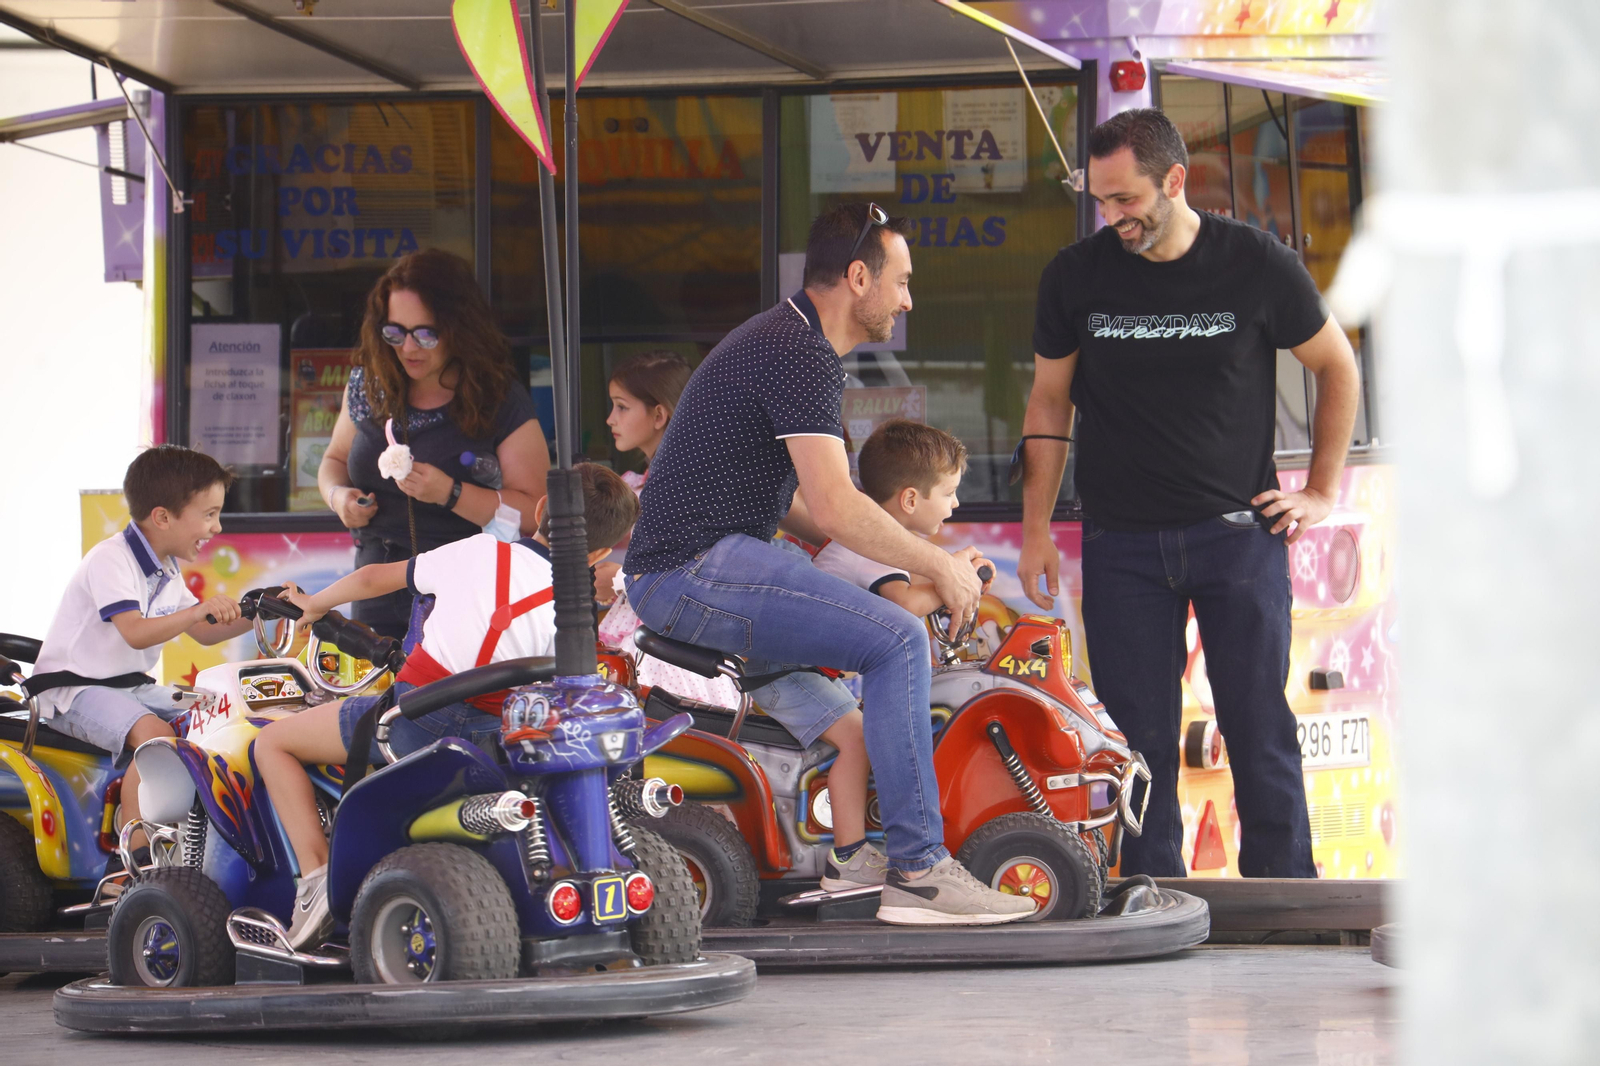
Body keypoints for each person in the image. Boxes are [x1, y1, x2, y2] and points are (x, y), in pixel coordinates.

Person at [623, 202, 1033, 925]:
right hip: (692, 571)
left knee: (847, 710)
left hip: (699, 567)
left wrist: (909, 561)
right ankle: (920, 871)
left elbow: (801, 511)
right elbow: (838, 506)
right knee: (898, 638)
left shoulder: (785, 339)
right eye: (901, 281)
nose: (908, 299)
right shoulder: (799, 351)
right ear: (857, 276)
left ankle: (852, 861)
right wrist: (940, 567)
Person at [1016, 109, 1362, 879]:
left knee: (1257, 722)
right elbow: (1048, 402)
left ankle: (1285, 901)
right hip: (1121, 544)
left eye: (1126, 199)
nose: (1113, 217)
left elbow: (1337, 366)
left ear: (1175, 181)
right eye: (1101, 201)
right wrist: (1038, 526)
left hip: (1237, 536)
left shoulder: (1256, 263)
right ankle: (1151, 893)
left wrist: (1320, 491)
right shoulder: (1076, 275)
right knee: (1136, 734)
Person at [260, 463, 637, 949]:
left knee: (272, 742)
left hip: (412, 721)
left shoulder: (480, 549)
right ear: (601, 552)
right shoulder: (575, 604)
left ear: (541, 508)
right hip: (491, 741)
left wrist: (313, 605)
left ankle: (316, 877)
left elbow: (376, 578)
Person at [758, 418, 992, 891]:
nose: (955, 504)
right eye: (948, 493)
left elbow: (908, 589)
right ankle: (848, 859)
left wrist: (953, 571)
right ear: (910, 500)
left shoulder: (882, 539)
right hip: (782, 671)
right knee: (860, 739)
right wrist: (958, 580)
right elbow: (904, 606)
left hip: (800, 668)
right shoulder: (875, 542)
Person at [318, 249, 550, 639]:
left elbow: (537, 511)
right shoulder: (368, 385)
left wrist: (451, 492)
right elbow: (333, 459)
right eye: (395, 333)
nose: (408, 348)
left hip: (463, 597)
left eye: (426, 334)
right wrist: (337, 497)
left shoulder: (496, 397)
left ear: (459, 328)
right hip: (374, 589)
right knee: (374, 699)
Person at [33, 445, 255, 854]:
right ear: (162, 517)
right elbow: (135, 632)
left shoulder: (165, 567)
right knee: (154, 734)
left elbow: (205, 633)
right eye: (208, 515)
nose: (217, 527)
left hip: (129, 688)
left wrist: (265, 610)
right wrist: (197, 613)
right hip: (75, 691)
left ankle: (200, 837)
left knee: (216, 711)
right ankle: (134, 840)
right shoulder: (110, 560)